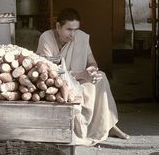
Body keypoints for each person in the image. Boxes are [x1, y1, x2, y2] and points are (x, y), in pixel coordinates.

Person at [36, 8, 129, 146]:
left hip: (78, 78)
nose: (73, 34)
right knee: (75, 86)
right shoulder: (46, 38)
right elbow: (51, 71)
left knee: (101, 77)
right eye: (69, 29)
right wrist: (81, 75)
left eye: (76, 29)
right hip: (58, 82)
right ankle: (85, 128)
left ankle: (108, 125)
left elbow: (92, 62)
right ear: (58, 27)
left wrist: (92, 70)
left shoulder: (81, 37)